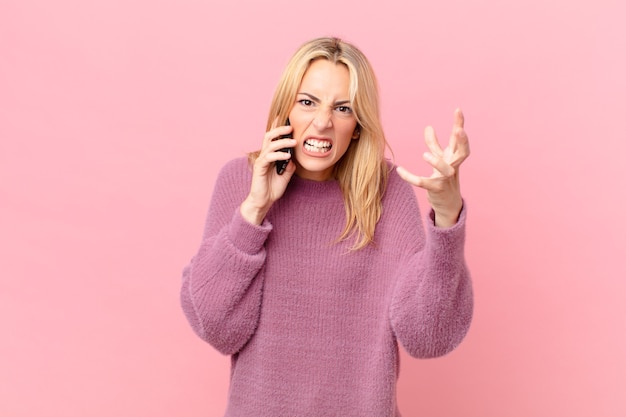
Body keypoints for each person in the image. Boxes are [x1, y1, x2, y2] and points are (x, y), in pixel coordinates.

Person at [180, 36, 473, 417]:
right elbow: (214, 325)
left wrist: (447, 218)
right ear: (286, 109)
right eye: (307, 102)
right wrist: (254, 210)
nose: (322, 122)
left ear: (357, 126)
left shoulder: (386, 193)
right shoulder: (240, 180)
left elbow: (428, 336)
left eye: (342, 108)